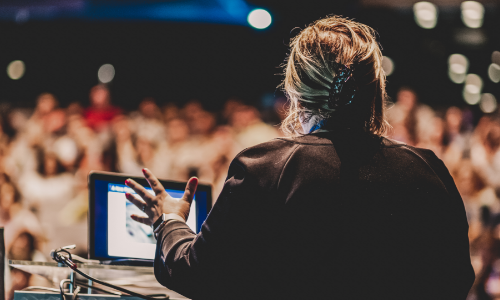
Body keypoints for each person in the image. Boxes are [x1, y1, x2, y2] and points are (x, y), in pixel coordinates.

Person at [124, 16, 475, 299]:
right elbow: (456, 281)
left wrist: (168, 222)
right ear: (376, 91)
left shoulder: (266, 168)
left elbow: (199, 276)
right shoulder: (429, 170)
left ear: (295, 91)